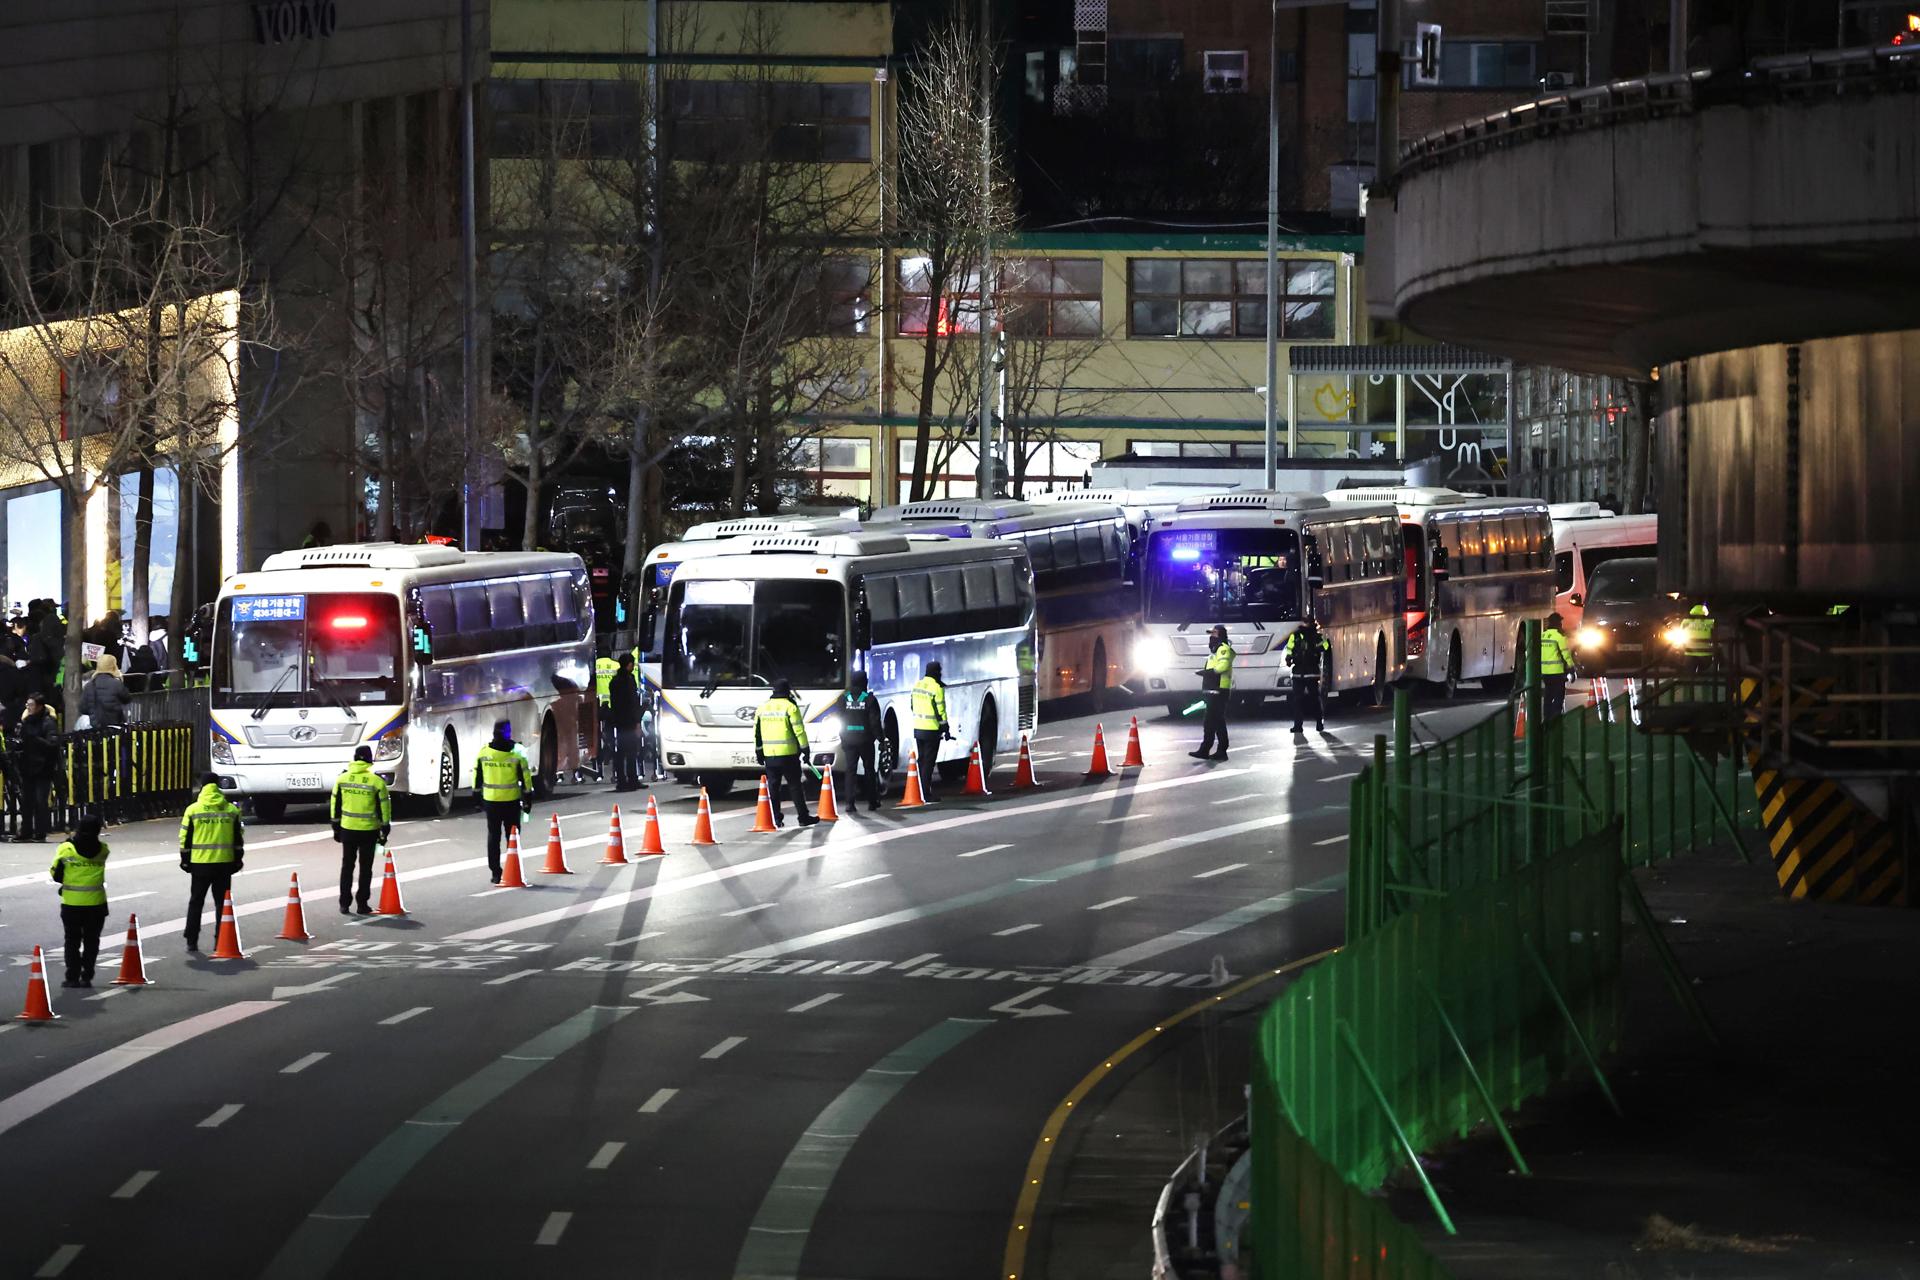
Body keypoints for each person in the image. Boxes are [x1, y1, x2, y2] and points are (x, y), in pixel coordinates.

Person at [178, 774, 244, 951]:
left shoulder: (193, 810)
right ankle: (220, 940)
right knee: (222, 904)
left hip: (200, 864)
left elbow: (185, 838)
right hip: (224, 864)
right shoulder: (231, 810)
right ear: (217, 786)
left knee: (196, 901)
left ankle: (191, 939)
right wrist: (238, 859)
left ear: (202, 786)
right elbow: (238, 839)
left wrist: (185, 860)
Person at [50, 813, 109, 987]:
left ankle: (72, 976)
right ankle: (88, 974)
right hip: (97, 904)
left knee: (72, 941)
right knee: (92, 941)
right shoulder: (103, 850)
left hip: (72, 904)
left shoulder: (66, 849)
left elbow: (55, 874)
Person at [331, 745, 391, 915]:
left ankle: (344, 904)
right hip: (369, 831)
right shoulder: (376, 782)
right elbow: (384, 807)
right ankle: (362, 904)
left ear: (355, 758)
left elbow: (335, 805)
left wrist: (335, 827)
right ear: (369, 760)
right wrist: (385, 827)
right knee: (366, 868)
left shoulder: (342, 779)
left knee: (347, 866)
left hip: (348, 829)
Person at [473, 719, 532, 883]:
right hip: (511, 801)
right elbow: (526, 779)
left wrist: (477, 799)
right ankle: (513, 869)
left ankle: (495, 873)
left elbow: (476, 777)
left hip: (491, 801)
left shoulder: (484, 752)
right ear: (507, 732)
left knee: (493, 836)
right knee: (513, 837)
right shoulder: (517, 752)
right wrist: (528, 801)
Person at [754, 679, 817, 828]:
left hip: (770, 755)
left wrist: (759, 752)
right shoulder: (791, 707)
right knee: (795, 786)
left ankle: (776, 819)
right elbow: (799, 731)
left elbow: (757, 733)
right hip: (789, 755)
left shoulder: (762, 708)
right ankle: (803, 817)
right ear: (787, 691)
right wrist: (805, 749)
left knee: (773, 787)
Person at [835, 670, 884, 811]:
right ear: (864, 682)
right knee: (869, 770)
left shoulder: (843, 698)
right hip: (866, 740)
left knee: (850, 770)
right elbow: (875, 722)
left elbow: (839, 718)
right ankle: (872, 802)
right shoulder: (869, 699)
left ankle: (850, 803)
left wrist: (842, 736)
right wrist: (881, 739)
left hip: (848, 740)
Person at [13, 693, 58, 843]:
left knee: (40, 801)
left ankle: (40, 832)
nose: (28, 708)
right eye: (27, 705)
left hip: (43, 768)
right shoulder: (26, 722)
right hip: (28, 766)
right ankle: (25, 831)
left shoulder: (48, 722)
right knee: (27, 801)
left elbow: (52, 745)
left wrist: (35, 739)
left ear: (39, 706)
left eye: (31, 705)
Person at [1191, 625, 1235, 760]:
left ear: (1221, 635)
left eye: (1214, 634)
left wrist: (1207, 673)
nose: (1211, 636)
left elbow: (1223, 666)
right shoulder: (1214, 651)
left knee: (1218, 721)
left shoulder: (1223, 649)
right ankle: (1205, 749)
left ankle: (1222, 751)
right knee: (1209, 722)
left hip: (1220, 689)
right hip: (1211, 689)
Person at [909, 661, 949, 800]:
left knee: (922, 760)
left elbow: (912, 706)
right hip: (932, 730)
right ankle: (925, 793)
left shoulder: (917, 685)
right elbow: (941, 712)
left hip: (918, 728)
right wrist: (946, 728)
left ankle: (918, 789)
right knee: (929, 763)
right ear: (937, 672)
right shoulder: (936, 688)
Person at [1284, 619, 1330, 735]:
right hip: (1305, 672)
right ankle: (1313, 724)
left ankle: (1305, 725)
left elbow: (1325, 646)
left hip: (1304, 672)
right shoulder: (1305, 636)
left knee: (1301, 700)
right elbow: (1325, 646)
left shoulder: (1300, 636)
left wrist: (1289, 659)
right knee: (1308, 699)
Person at [608, 653, 644, 791]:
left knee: (620, 752)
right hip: (629, 721)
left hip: (618, 721)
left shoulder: (615, 681)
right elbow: (632, 702)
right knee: (631, 752)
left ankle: (622, 781)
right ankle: (632, 780)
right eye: (632, 664)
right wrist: (637, 721)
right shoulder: (628, 680)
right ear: (628, 664)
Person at [78, 652, 131, 729]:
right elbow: (127, 699)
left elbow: (82, 708)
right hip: (114, 726)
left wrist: (93, 711)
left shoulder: (89, 685)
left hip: (95, 727)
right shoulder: (116, 683)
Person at [1539, 612, 1573, 720]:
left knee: (1548, 695)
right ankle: (1556, 719)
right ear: (1558, 623)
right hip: (1557, 672)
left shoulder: (1542, 635)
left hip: (1545, 672)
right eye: (1560, 622)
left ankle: (1547, 718)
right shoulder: (1559, 636)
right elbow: (1565, 654)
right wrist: (1571, 667)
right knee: (1559, 695)